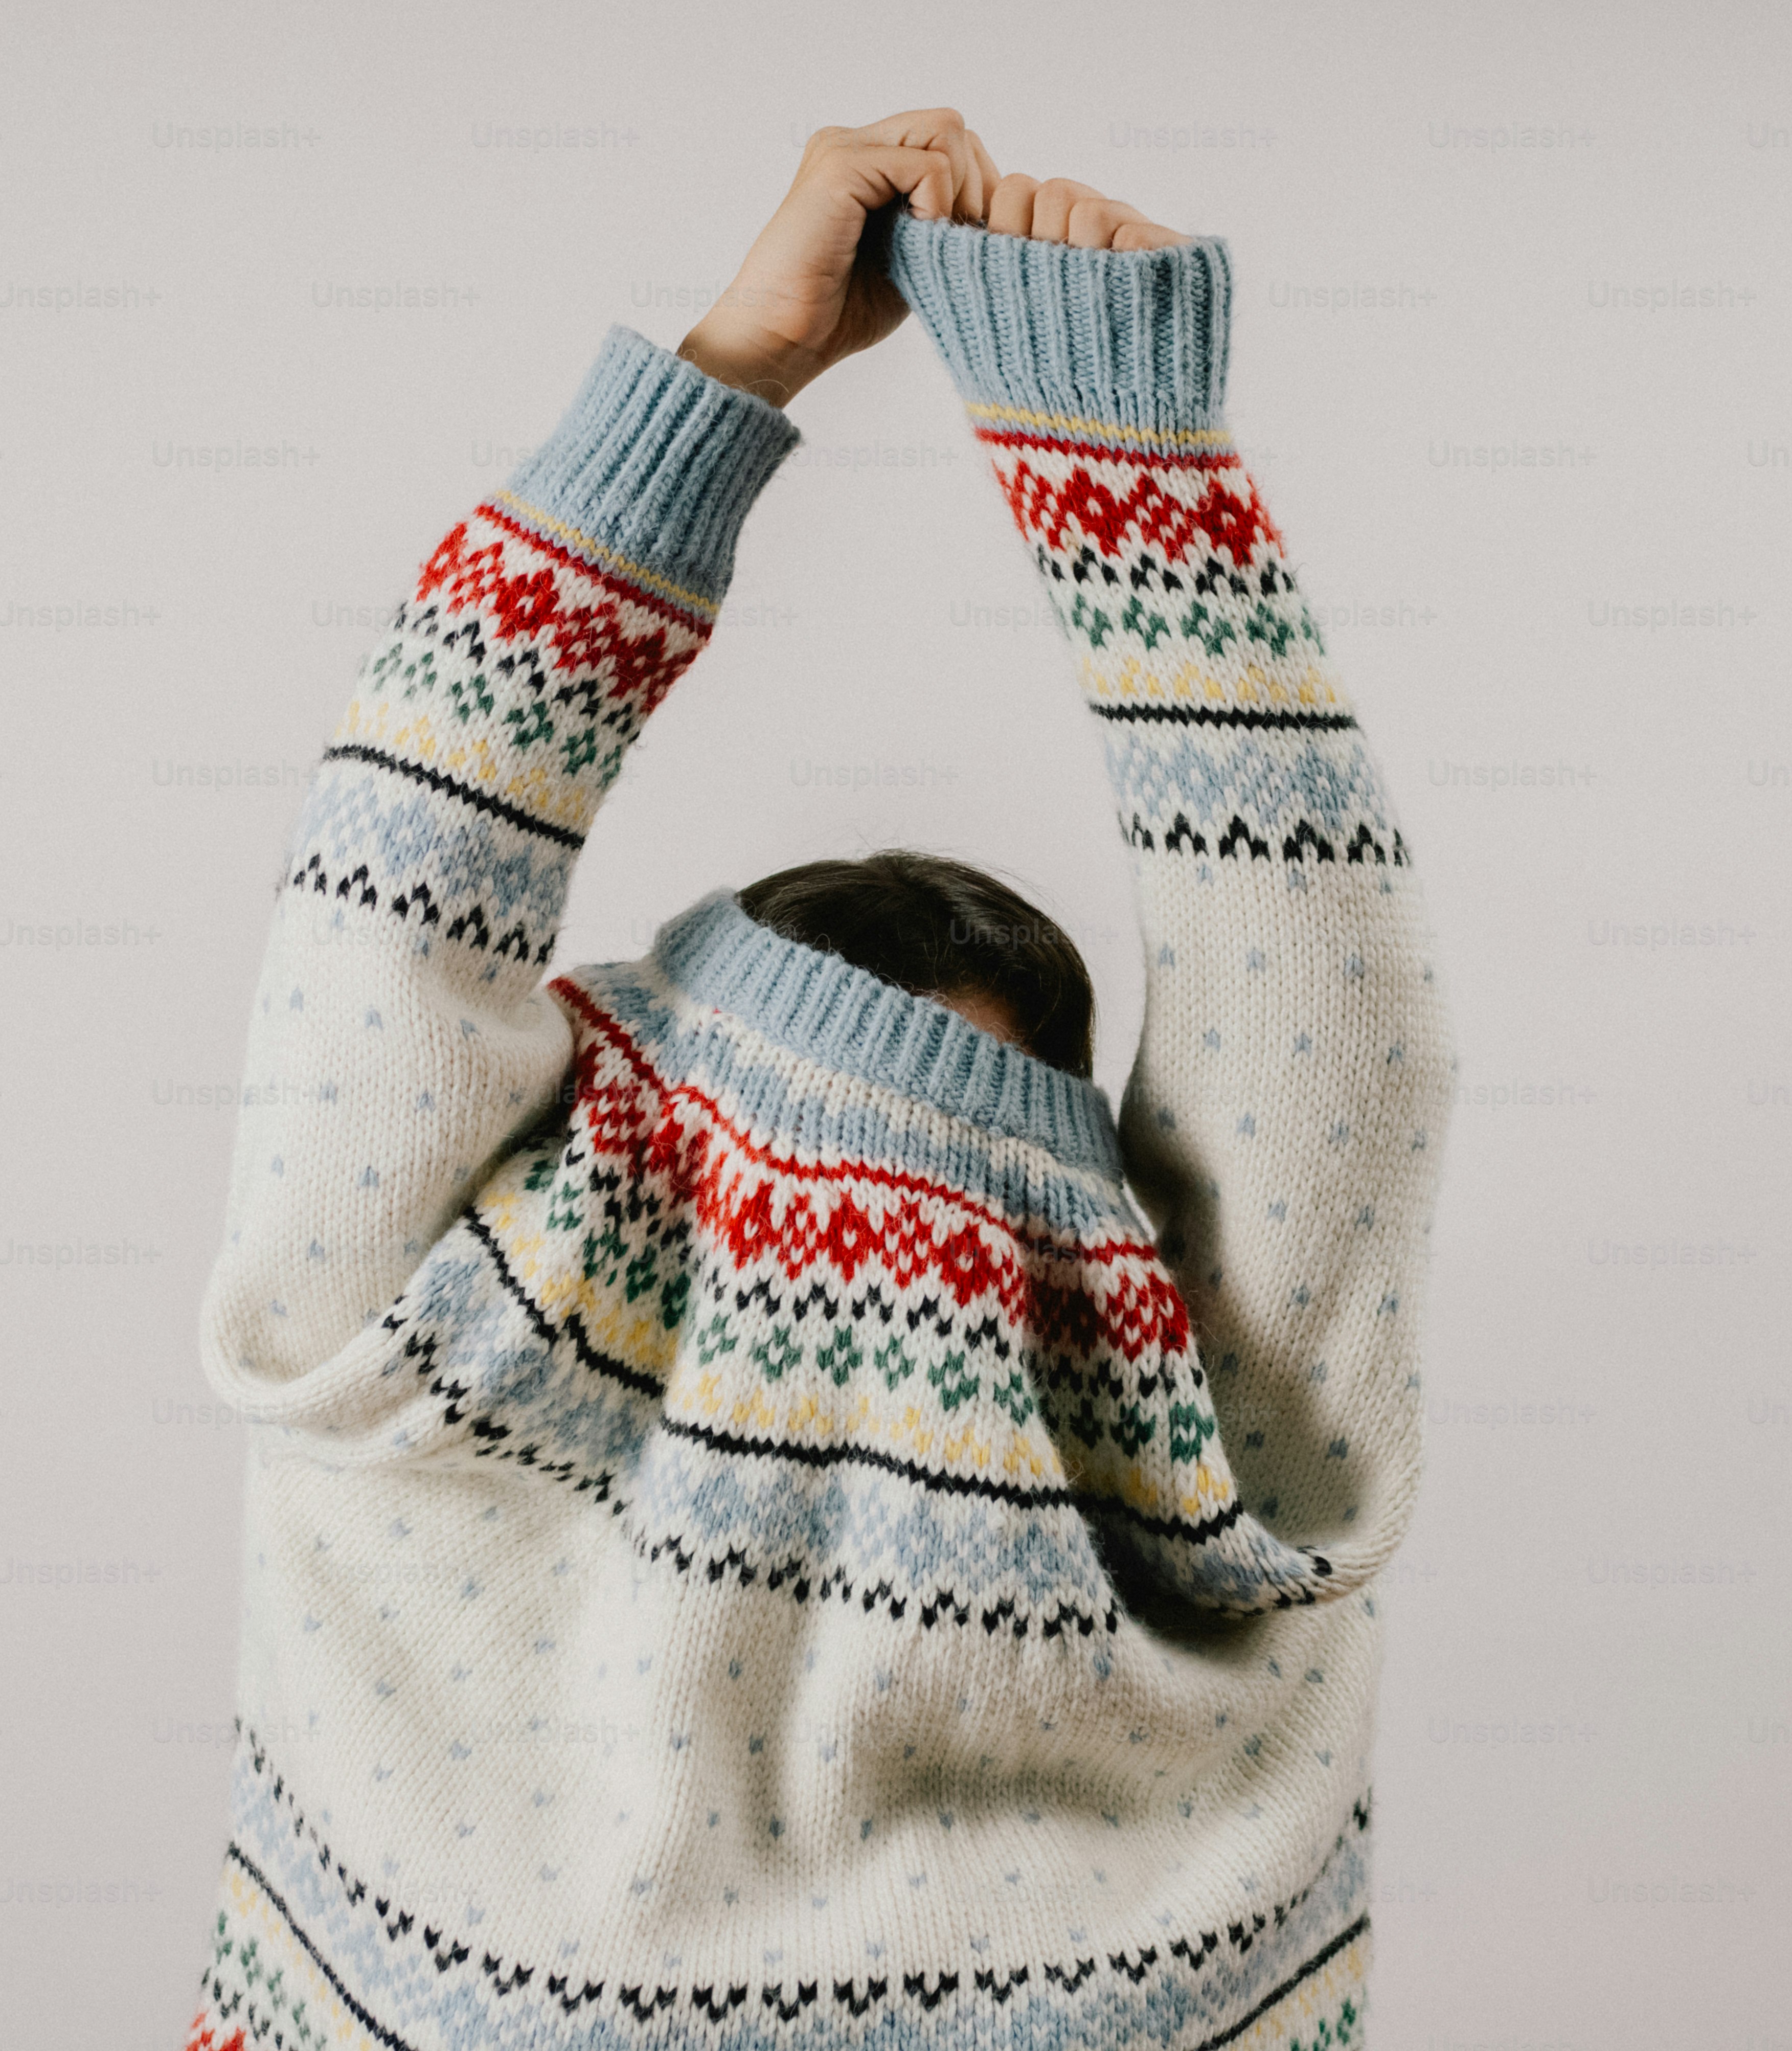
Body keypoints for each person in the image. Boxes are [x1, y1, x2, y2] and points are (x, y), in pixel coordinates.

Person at [183, 107, 1457, 2051]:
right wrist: (1125, 473)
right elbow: (1330, 1057)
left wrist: (739, 377)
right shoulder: (433, 1354)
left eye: (976, 1190)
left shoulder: (401, 1349)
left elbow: (395, 899)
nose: (880, 1242)